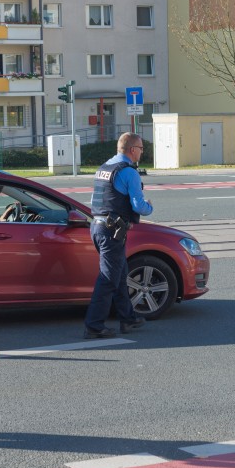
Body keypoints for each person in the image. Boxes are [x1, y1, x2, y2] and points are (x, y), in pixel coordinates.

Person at [84, 132, 153, 339]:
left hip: (97, 227)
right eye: (141, 148)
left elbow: (97, 200)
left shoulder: (104, 167)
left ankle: (128, 319)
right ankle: (94, 326)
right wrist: (150, 206)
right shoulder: (129, 172)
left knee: (119, 275)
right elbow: (138, 206)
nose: (142, 151)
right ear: (132, 150)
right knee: (108, 279)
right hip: (112, 231)